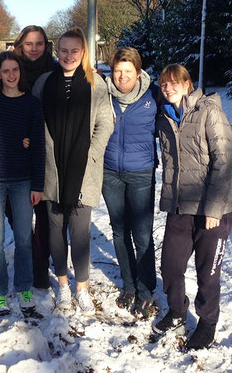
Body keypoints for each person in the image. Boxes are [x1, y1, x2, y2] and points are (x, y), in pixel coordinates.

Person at [152, 63, 232, 350]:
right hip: (180, 207)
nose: (168, 88)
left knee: (207, 274)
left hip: (213, 211)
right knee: (171, 266)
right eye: (164, 83)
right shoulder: (164, 117)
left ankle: (207, 322)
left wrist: (213, 208)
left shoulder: (209, 112)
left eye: (175, 82)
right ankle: (177, 310)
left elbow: (224, 162)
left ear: (188, 84)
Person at [32, 27, 114, 314]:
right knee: (54, 229)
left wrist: (91, 156)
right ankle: (63, 285)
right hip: (52, 169)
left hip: (84, 168)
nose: (68, 56)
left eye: (74, 51)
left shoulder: (96, 84)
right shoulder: (43, 83)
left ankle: (82, 287)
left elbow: (105, 123)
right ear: (58, 52)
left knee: (80, 232)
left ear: (83, 53)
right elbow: (35, 121)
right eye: (63, 51)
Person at [0, 25, 56, 290]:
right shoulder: (8, 69)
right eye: (29, 43)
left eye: (39, 43)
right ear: (19, 46)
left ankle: (39, 269)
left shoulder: (55, 69)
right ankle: (28, 261)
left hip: (47, 152)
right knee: (18, 219)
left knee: (45, 218)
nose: (35, 48)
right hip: (13, 162)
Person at [0, 51, 46, 318]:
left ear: (21, 72)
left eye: (14, 70)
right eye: (4, 71)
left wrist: (38, 185)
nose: (10, 75)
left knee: (23, 240)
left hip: (22, 179)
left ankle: (24, 288)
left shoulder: (31, 104)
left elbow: (38, 146)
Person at [102, 47, 158, 319]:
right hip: (109, 171)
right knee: (119, 231)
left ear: (138, 72)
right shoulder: (102, 94)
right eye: (118, 71)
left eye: (128, 71)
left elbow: (180, 109)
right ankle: (129, 286)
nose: (122, 77)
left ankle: (146, 291)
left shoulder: (153, 95)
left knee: (143, 235)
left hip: (141, 173)